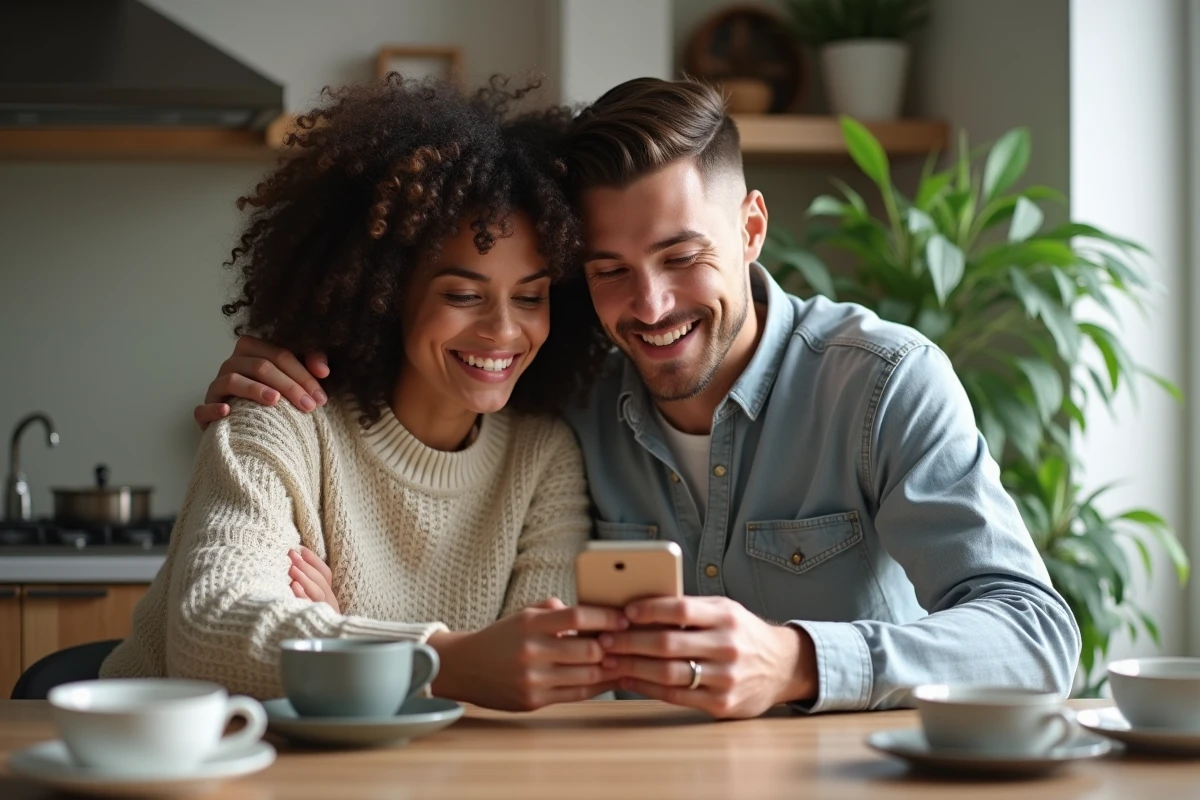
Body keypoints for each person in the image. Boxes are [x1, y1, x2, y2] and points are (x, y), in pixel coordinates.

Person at [194, 78, 1082, 719]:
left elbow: (1038, 640)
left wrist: (799, 661)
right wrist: (289, 360)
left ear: (752, 228)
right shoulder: (562, 397)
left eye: (682, 257)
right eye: (608, 271)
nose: (649, 308)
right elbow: (511, 655)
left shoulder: (881, 383)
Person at [101, 76, 630, 711]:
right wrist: (447, 658)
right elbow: (211, 631)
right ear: (385, 294)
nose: (503, 330)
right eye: (462, 295)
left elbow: (544, 682)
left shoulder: (542, 457)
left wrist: (341, 638)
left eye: (530, 295)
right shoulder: (281, 415)